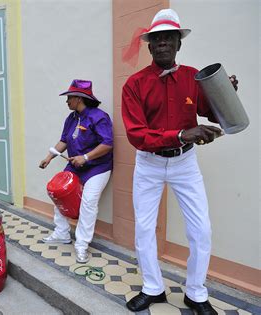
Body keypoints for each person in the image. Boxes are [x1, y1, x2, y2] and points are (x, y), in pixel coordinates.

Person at [121, 9, 238, 314]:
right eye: (156, 40)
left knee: (201, 229)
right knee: (145, 229)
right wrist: (183, 134)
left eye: (168, 39)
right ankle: (153, 288)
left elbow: (210, 113)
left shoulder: (193, 76)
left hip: (185, 164)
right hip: (149, 163)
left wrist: (224, 93)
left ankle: (196, 293)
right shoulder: (133, 85)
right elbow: (138, 136)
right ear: (149, 46)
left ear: (178, 44)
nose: (162, 44)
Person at [39, 79, 113, 264]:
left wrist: (86, 157)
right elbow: (64, 141)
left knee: (88, 202)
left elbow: (107, 144)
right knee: (58, 193)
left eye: (69, 98)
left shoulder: (99, 117)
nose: (67, 102)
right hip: (75, 166)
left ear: (79, 98)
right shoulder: (71, 119)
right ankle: (62, 233)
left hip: (98, 167)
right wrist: (49, 157)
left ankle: (82, 244)